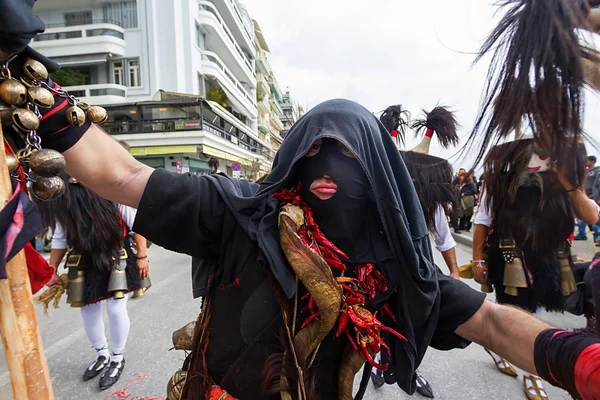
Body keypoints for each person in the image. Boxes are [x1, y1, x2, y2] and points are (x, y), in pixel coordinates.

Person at [5, 5, 600, 400]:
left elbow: (494, 322)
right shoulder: (236, 213)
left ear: (378, 177)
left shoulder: (391, 270)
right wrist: (34, 87)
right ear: (292, 158)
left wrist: (577, 360)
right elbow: (124, 174)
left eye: (346, 160)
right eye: (313, 155)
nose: (327, 172)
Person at [471, 130, 598, 400]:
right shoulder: (498, 184)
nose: (531, 161)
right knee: (516, 307)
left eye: (540, 154)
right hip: (509, 256)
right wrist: (477, 258)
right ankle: (528, 371)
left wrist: (570, 184)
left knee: (535, 307)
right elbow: (482, 220)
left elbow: (591, 215)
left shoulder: (562, 182)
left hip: (548, 258)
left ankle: (504, 348)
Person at [374, 104, 461, 397]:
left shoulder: (429, 203)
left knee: (413, 326)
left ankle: (410, 369)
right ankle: (378, 362)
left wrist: (455, 271)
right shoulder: (379, 197)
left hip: (416, 274)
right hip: (381, 271)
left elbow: (444, 238)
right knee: (380, 321)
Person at [40, 177, 147, 390]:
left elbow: (137, 226)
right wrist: (51, 269)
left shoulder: (112, 189)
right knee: (88, 311)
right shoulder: (63, 198)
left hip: (117, 257)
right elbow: (60, 238)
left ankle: (117, 357)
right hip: (82, 261)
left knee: (116, 309)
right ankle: (102, 355)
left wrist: (142, 256)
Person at [575, 156, 600, 241]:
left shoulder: (597, 171)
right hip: (584, 196)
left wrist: (594, 195)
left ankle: (597, 235)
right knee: (582, 215)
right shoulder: (586, 171)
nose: (585, 162)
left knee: (594, 216)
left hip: (592, 197)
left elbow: (597, 185)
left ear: (592, 161)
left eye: (587, 161)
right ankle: (582, 234)